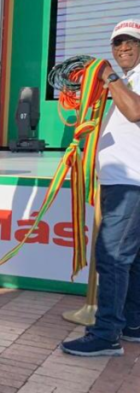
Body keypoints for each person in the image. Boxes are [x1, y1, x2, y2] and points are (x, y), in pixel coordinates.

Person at [61, 19, 140, 357]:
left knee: (112, 258)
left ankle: (106, 334)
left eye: (131, 42)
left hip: (130, 183)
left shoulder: (126, 81)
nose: (123, 48)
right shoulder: (129, 80)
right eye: (117, 43)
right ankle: (132, 324)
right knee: (130, 260)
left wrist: (108, 76)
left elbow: (135, 112)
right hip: (123, 183)